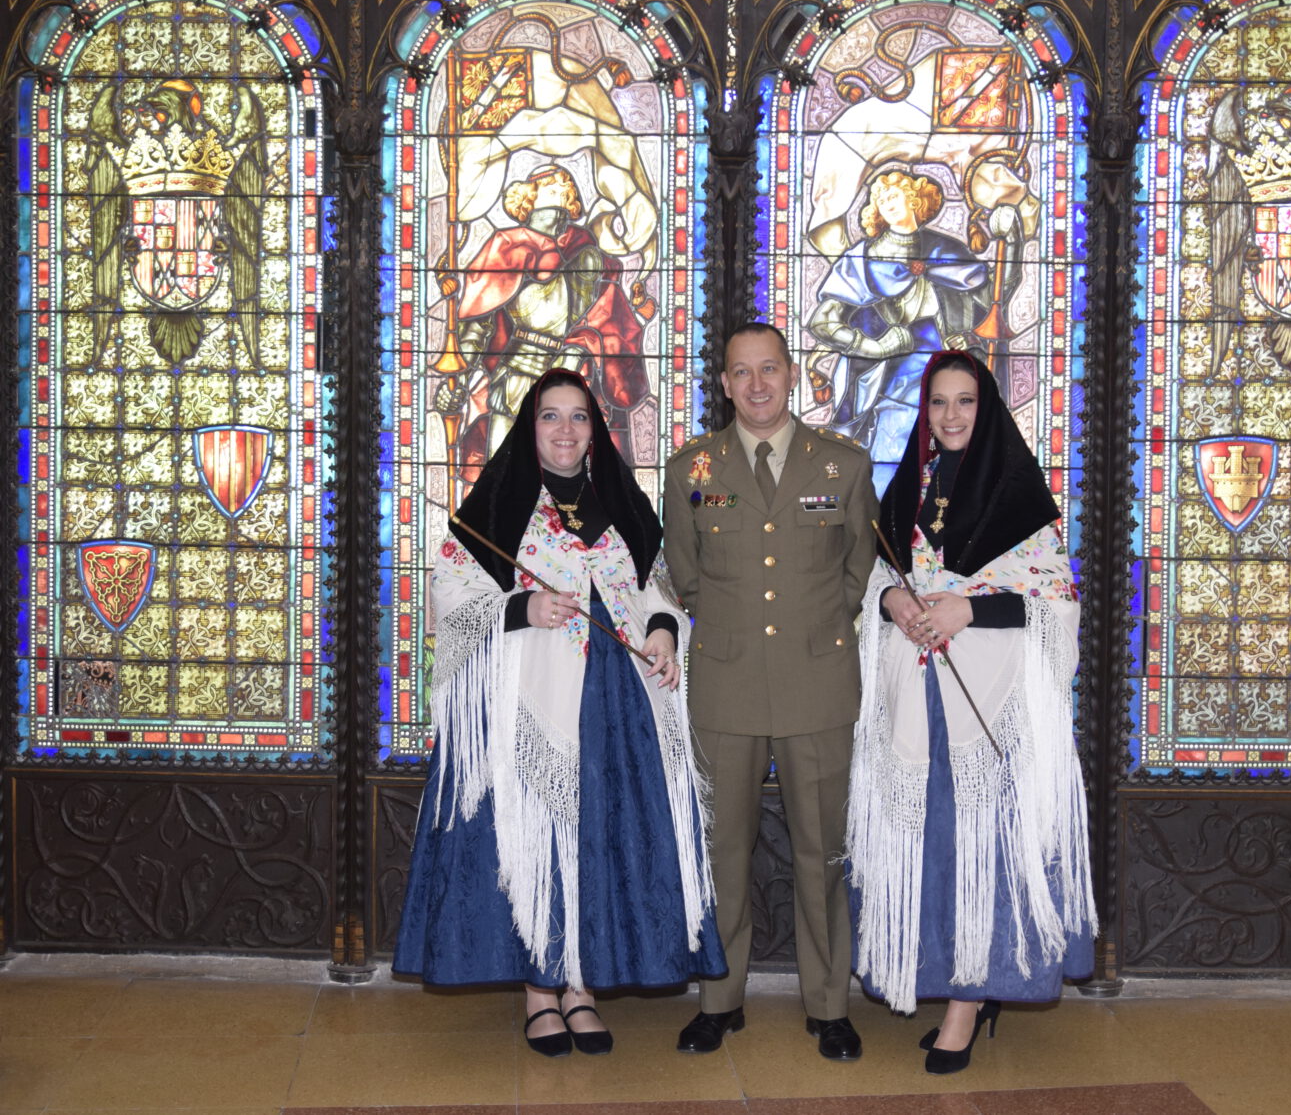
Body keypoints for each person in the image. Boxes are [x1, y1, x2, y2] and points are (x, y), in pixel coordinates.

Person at [394, 368, 725, 1057]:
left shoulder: (623, 506)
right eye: (552, 416)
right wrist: (521, 607)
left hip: (617, 706)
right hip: (529, 705)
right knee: (537, 839)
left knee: (597, 841)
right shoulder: (494, 508)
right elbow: (449, 600)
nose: (567, 430)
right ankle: (540, 995)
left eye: (579, 417)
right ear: (531, 425)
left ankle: (582, 988)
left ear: (595, 431)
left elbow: (655, 587)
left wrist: (663, 628)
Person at [847, 350, 1095, 1074]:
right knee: (931, 848)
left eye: (965, 402)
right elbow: (881, 578)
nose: (951, 416)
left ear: (986, 411)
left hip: (992, 703)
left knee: (981, 849)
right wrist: (894, 600)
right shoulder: (904, 493)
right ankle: (945, 980)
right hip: (915, 697)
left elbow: (1054, 607)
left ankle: (968, 999)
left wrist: (968, 608)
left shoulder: (1019, 497)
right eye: (938, 404)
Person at [662, 322, 878, 1061]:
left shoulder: (842, 466)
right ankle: (720, 1000)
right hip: (725, 682)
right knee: (725, 847)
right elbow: (687, 576)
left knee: (824, 852)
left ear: (793, 376)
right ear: (723, 384)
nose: (756, 385)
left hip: (818, 680)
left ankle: (828, 1004)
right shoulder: (690, 467)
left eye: (769, 370)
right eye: (740, 373)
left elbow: (857, 572)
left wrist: (813, 625)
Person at [436, 165, 651, 477]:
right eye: (550, 187)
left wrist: (575, 356)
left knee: (575, 493)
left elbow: (605, 320)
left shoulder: (587, 256)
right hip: (517, 379)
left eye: (565, 189)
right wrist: (456, 381)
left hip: (574, 388)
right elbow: (478, 324)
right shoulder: (506, 246)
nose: (561, 192)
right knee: (504, 483)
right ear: (527, 197)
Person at [806, 170, 991, 469]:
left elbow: (990, 303)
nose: (886, 203)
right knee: (887, 450)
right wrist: (876, 348)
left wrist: (1015, 240)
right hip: (876, 371)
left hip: (939, 369)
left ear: (915, 199)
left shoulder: (947, 253)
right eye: (879, 199)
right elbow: (822, 322)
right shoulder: (861, 257)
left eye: (894, 195)